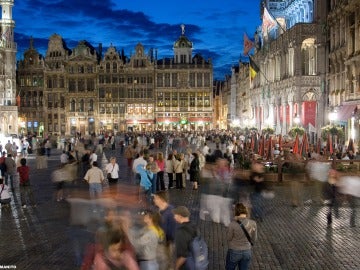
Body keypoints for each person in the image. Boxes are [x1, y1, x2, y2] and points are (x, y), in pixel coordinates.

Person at [225, 203, 257, 270]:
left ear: (236, 212)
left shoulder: (232, 224)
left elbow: (229, 238)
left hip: (234, 251)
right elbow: (254, 239)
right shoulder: (253, 223)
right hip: (247, 251)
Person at [153, 191, 177, 270]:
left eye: (156, 198)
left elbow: (170, 232)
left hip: (168, 243)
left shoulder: (168, 213)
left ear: (161, 199)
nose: (154, 200)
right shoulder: (160, 210)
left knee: (168, 262)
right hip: (164, 241)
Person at [172, 206, 197, 270]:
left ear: (180, 216)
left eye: (175, 215)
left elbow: (183, 256)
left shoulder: (180, 232)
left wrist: (175, 268)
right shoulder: (193, 225)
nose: (174, 217)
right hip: (194, 261)